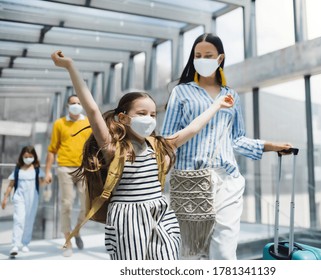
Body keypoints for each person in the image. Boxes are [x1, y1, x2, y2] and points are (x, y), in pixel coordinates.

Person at [50, 50, 234, 260]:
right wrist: (70, 66)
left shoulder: (159, 146)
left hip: (160, 212)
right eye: (142, 113)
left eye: (153, 114)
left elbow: (192, 128)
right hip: (128, 218)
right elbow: (92, 110)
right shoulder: (113, 147)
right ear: (123, 118)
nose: (149, 119)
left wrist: (217, 105)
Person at [161, 33, 293, 260]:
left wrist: (270, 146)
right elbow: (167, 141)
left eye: (208, 55)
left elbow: (237, 139)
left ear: (220, 58)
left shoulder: (231, 96)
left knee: (224, 251)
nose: (202, 59)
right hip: (191, 181)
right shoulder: (181, 92)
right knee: (191, 252)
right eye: (197, 55)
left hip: (228, 180)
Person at [44, 93, 92, 257]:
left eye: (79, 102)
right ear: (67, 106)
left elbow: (93, 147)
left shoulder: (88, 123)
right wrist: (47, 171)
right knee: (66, 205)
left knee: (87, 207)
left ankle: (76, 231)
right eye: (73, 103)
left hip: (83, 168)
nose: (76, 105)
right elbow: (52, 149)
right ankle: (67, 241)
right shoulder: (59, 123)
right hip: (64, 168)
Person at [1, 146, 46, 257]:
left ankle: (25, 243)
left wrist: (46, 180)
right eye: (26, 156)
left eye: (30, 156)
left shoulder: (37, 170)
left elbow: (42, 183)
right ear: (22, 156)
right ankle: (15, 245)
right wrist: (5, 198)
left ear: (34, 157)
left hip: (33, 198)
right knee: (19, 219)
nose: (28, 158)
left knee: (29, 220)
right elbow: (11, 184)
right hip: (19, 198)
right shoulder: (18, 169)